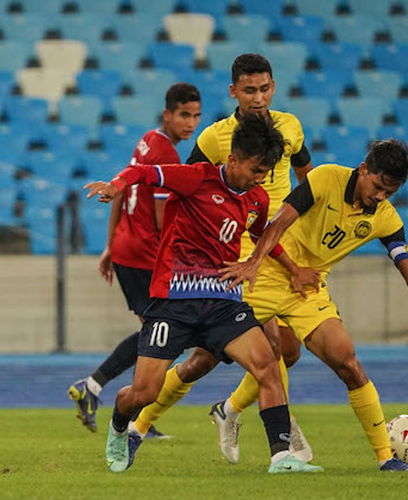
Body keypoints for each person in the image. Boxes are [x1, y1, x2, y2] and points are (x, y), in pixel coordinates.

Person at [132, 139, 408, 472]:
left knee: (347, 362)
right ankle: (139, 427)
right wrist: (253, 262)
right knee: (201, 362)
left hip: (307, 287)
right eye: (379, 186)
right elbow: (277, 222)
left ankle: (386, 457)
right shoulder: (326, 178)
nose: (380, 197)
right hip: (263, 274)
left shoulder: (385, 218)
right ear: (365, 169)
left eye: (390, 193)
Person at [85, 113, 323, 474]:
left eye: (265, 173)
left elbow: (263, 238)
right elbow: (145, 174)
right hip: (173, 302)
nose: (259, 179)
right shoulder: (195, 177)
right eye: (255, 169)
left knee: (268, 367)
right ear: (232, 160)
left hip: (222, 303)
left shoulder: (256, 199)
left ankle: (281, 457)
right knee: (144, 392)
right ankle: (120, 425)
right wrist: (117, 185)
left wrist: (288, 269)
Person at [131, 53, 316, 461]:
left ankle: (225, 410)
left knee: (280, 352)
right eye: (249, 90)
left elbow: (308, 178)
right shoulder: (216, 137)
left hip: (279, 247)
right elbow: (191, 187)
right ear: (234, 91)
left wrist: (307, 228)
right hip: (233, 258)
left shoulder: (292, 127)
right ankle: (284, 444)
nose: (258, 97)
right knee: (265, 352)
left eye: (265, 88)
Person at [68, 83, 202, 436]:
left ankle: (103, 394)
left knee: (155, 333)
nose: (191, 123)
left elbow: (122, 189)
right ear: (167, 114)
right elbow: (163, 219)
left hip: (128, 249)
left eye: (196, 116)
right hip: (145, 256)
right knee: (162, 335)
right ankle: (118, 406)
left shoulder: (147, 140)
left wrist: (111, 244)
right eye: (184, 115)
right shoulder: (167, 154)